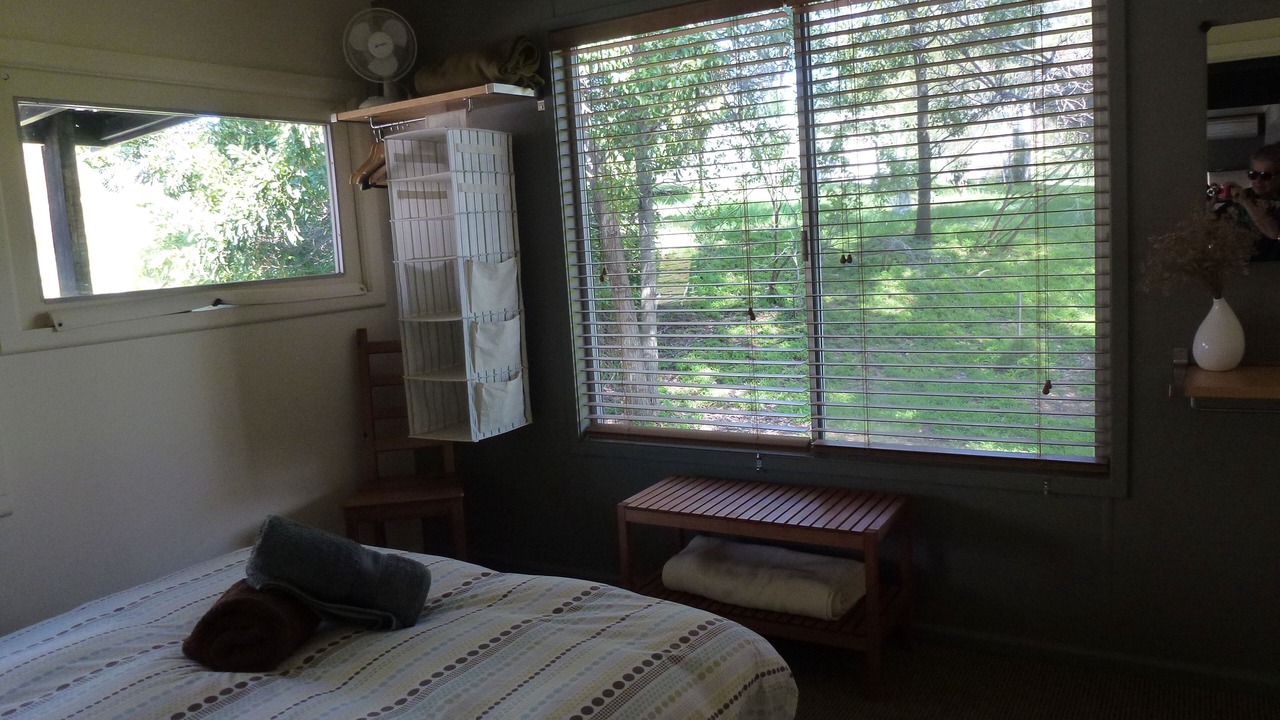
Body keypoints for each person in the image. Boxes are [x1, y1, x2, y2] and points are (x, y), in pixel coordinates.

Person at [1213, 142, 1280, 260]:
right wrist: (1210, 205)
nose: (1258, 181)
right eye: (1253, 174)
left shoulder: (1245, 198)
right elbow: (1211, 227)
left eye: (1265, 176)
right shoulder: (1245, 195)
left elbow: (1274, 233)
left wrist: (1246, 202)